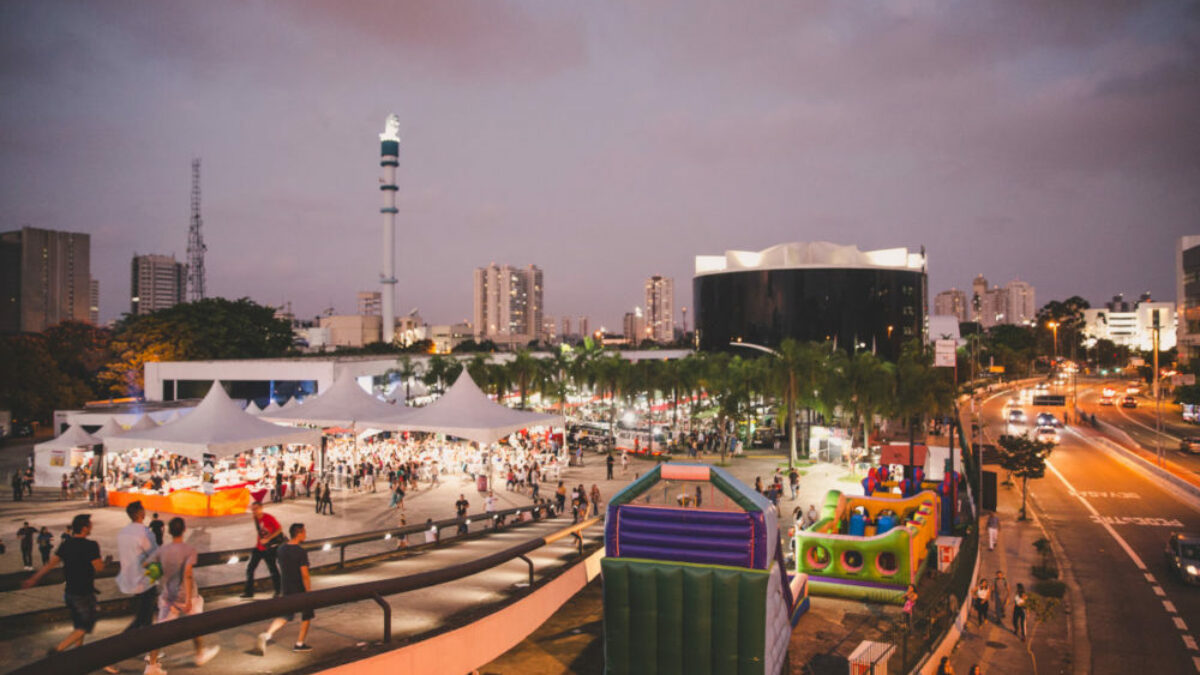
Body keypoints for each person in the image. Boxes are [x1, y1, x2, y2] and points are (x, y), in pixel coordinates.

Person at [23, 514, 106, 654]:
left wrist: (34, 578)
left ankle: (77, 655)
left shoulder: (66, 544)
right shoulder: (91, 545)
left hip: (69, 593)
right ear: (85, 528)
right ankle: (58, 650)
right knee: (85, 626)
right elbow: (98, 567)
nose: (91, 527)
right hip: (84, 593)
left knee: (78, 625)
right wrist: (105, 563)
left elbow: (50, 564)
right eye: (90, 525)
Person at [146, 517, 220, 666]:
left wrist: (162, 574)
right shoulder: (188, 550)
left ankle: (152, 665)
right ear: (184, 530)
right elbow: (187, 575)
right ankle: (199, 655)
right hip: (187, 596)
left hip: (168, 595)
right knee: (196, 626)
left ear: (169, 531)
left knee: (160, 631)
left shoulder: (163, 550)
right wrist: (187, 601)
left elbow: (147, 565)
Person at [115, 500, 161, 674]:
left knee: (144, 619)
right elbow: (155, 554)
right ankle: (112, 652)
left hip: (130, 581)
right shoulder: (145, 532)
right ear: (140, 514)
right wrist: (157, 578)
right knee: (143, 621)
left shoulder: (123, 533)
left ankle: (152, 657)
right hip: (145, 581)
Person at [257, 523, 313, 654]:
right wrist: (309, 591)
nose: (305, 534)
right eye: (304, 532)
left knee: (285, 615)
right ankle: (299, 643)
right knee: (307, 614)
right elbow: (304, 574)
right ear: (298, 533)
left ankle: (267, 634)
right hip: (300, 588)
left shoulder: (281, 549)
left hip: (286, 586)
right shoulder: (301, 552)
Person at [242, 502, 282, 598]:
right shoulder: (255, 518)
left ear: (261, 508)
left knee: (273, 570)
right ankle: (249, 592)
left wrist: (268, 539)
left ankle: (278, 590)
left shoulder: (268, 518)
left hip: (268, 549)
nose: (254, 511)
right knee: (250, 568)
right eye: (252, 509)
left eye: (256, 509)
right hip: (259, 547)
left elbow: (279, 529)